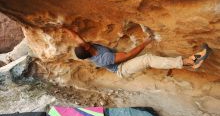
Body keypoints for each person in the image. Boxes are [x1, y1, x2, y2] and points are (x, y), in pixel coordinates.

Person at [63, 27, 212, 78]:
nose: (84, 41)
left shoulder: (85, 48)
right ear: (87, 49)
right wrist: (147, 41)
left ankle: (181, 65)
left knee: (152, 57)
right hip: (122, 69)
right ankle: (190, 62)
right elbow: (129, 55)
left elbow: (76, 37)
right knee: (147, 58)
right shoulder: (103, 58)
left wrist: (65, 28)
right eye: (84, 44)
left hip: (122, 62)